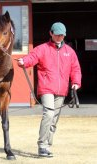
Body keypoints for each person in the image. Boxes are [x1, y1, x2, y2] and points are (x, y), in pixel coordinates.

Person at [17, 22, 82, 157]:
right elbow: (32, 57)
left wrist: (76, 82)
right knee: (49, 114)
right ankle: (42, 145)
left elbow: (75, 68)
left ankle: (47, 146)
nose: (59, 37)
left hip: (62, 89)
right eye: (57, 35)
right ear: (50, 33)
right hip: (46, 87)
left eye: (62, 35)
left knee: (54, 120)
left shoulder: (70, 52)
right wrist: (24, 61)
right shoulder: (42, 49)